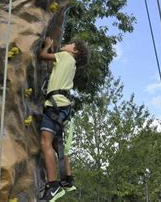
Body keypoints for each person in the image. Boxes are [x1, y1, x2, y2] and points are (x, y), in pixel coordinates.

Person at [38, 37, 89, 201]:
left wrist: (46, 47)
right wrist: (53, 52)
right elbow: (51, 67)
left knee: (46, 143)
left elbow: (42, 56)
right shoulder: (69, 63)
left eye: (70, 44)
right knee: (56, 144)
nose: (66, 44)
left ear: (74, 51)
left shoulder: (65, 56)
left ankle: (53, 186)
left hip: (55, 105)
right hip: (62, 106)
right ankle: (68, 180)